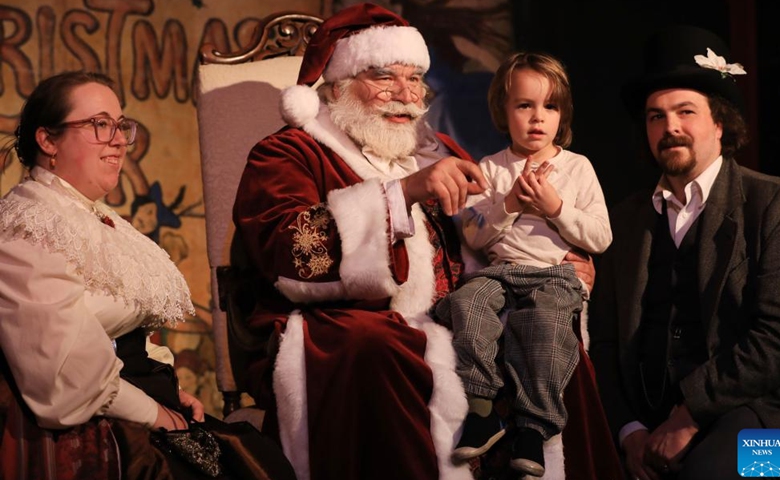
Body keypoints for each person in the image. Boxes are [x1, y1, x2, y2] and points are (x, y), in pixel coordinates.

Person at [233, 3, 620, 480]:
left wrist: (558, 260)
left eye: (415, 78)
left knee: (545, 338)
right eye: (384, 77)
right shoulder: (289, 151)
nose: (406, 95)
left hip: (457, 307)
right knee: (380, 346)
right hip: (345, 321)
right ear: (337, 87)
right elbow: (289, 249)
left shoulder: (435, 148)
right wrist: (404, 193)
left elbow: (490, 235)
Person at [0, 71, 296, 480]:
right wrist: (153, 410)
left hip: (140, 397)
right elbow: (61, 367)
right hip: (93, 422)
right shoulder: (27, 228)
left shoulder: (92, 218)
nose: (119, 139)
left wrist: (171, 389)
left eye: (121, 125)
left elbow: (129, 331)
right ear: (48, 140)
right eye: (100, 125)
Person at [590, 25, 780, 480]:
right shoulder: (623, 220)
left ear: (720, 122)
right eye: (655, 116)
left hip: (761, 420)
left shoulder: (779, 203)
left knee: (729, 475)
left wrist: (687, 418)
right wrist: (629, 432)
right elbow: (603, 342)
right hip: (646, 426)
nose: (670, 128)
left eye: (686, 112)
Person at [435, 52, 612, 477]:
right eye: (524, 105)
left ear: (562, 114)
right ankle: (481, 409)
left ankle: (534, 426)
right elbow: (473, 234)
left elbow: (600, 237)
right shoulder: (491, 169)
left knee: (545, 326)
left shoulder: (577, 168)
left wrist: (556, 207)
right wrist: (510, 203)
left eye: (549, 106)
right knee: (469, 303)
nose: (538, 118)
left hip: (555, 275)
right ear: (504, 109)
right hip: (501, 272)